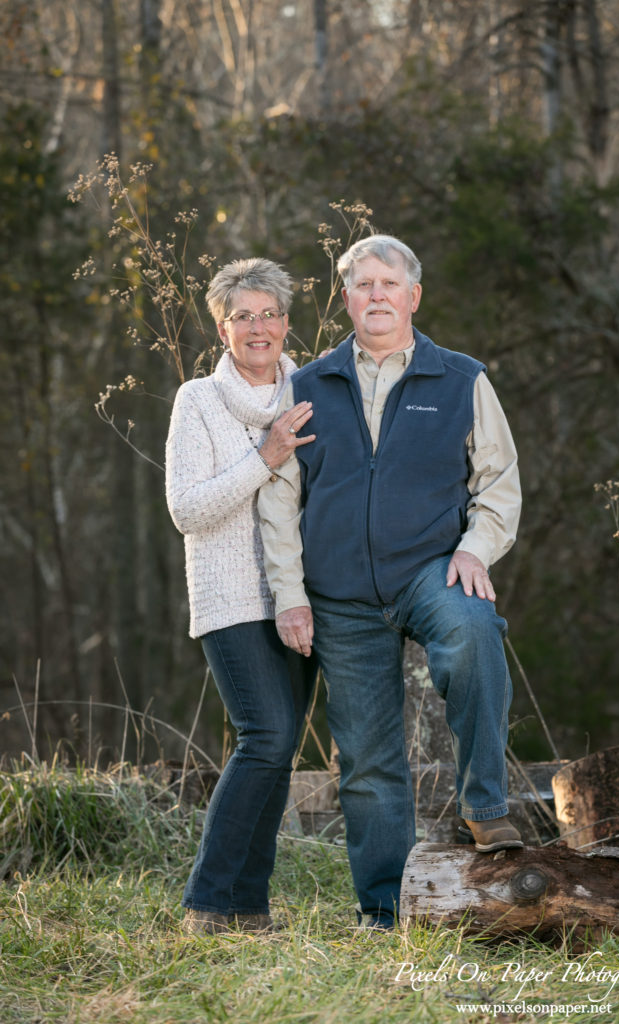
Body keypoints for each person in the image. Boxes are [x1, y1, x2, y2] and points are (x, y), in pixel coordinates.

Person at [258, 235, 523, 930]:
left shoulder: (461, 378)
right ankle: (383, 910)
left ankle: (485, 804)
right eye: (361, 284)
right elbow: (280, 499)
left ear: (412, 296)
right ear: (344, 299)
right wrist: (290, 594)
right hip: (338, 594)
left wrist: (475, 550)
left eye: (387, 283)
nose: (375, 294)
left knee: (472, 632)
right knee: (368, 764)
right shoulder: (309, 384)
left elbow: (497, 484)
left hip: (429, 571)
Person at [165, 257, 318, 936]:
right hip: (230, 598)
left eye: (268, 314)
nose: (258, 328)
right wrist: (264, 457)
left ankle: (247, 907)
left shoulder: (313, 390)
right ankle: (207, 900)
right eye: (242, 316)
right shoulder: (196, 399)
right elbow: (187, 510)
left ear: (287, 322)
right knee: (267, 736)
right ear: (220, 326)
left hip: (304, 595)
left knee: (281, 750)